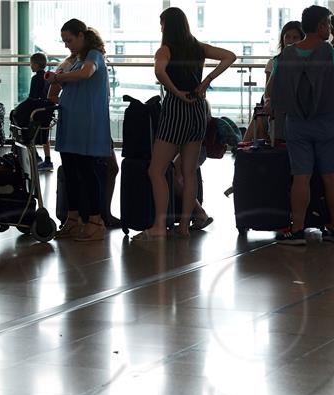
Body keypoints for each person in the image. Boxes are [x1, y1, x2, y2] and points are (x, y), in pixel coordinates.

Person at [135, 7, 236, 240]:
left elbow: (159, 72)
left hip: (176, 110)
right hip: (199, 109)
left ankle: (159, 226)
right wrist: (206, 82)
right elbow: (230, 56)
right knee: (189, 172)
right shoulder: (198, 47)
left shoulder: (165, 49)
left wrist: (176, 93)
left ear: (167, 26)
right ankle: (183, 226)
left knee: (156, 170)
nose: (160, 28)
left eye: (161, 24)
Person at [266, 5, 334, 245]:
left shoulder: (285, 56)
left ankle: (297, 230)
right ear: (321, 26)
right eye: (328, 24)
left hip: (296, 122)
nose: (331, 28)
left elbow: (271, 91)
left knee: (301, 177)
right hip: (329, 121)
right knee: (331, 175)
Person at [50, 19, 113, 242]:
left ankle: (96, 221)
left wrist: (59, 77)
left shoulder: (93, 56)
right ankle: (73, 218)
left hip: (86, 124)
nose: (67, 45)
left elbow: (87, 74)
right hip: (71, 123)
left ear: (81, 36)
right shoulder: (75, 61)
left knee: (86, 172)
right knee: (71, 172)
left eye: (69, 40)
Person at [242, 21, 304, 143]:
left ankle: (246, 147)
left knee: (260, 121)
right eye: (287, 37)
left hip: (290, 106)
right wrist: (269, 101)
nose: (291, 41)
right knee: (261, 118)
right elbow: (268, 91)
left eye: (295, 37)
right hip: (273, 104)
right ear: (282, 39)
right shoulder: (275, 62)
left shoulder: (307, 62)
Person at [29, 52, 53, 170]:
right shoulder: (48, 77)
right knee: (44, 136)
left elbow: (32, 98)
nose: (30, 66)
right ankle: (48, 160)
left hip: (36, 112)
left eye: (31, 64)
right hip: (47, 111)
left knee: (29, 133)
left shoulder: (35, 79)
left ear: (36, 64)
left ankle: (36, 157)